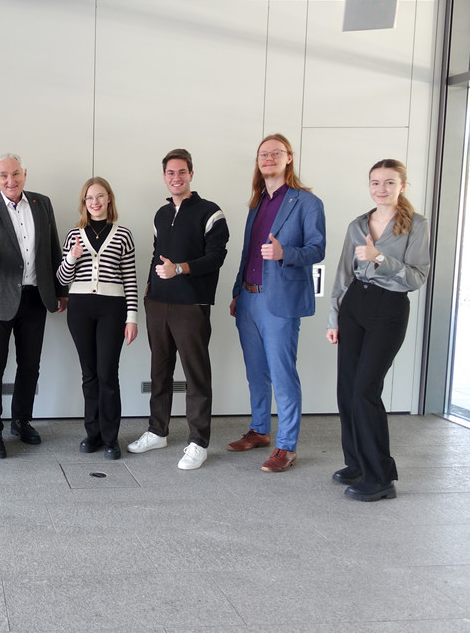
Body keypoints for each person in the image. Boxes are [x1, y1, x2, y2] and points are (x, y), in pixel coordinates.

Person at [327, 159, 429, 502]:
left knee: (365, 390)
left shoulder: (416, 225)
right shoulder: (358, 223)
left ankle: (381, 477)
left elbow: (417, 277)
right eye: (375, 183)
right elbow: (343, 273)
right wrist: (333, 318)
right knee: (346, 389)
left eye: (388, 182)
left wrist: (379, 258)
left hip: (389, 308)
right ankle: (356, 463)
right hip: (355, 305)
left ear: (403, 186)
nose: (380, 189)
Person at [228, 134, 326, 472]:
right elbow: (247, 253)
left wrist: (286, 254)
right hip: (249, 298)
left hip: (280, 300)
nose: (268, 158)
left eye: (276, 153)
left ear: (289, 158)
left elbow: (318, 248)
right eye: (263, 154)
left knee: (282, 374)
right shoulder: (257, 204)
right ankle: (259, 430)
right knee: (256, 371)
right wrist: (236, 292)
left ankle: (287, 446)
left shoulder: (306, 202)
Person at [128, 149, 229, 470]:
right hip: (158, 303)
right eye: (170, 173)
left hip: (191, 305)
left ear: (191, 174)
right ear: (164, 177)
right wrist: (148, 288)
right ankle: (157, 431)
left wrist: (181, 269)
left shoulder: (211, 213)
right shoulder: (160, 214)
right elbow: (157, 254)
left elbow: (216, 257)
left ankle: (198, 442)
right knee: (159, 371)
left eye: (181, 172)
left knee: (196, 375)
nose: (176, 178)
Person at [0, 153, 68, 459]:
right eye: (4, 175)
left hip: (35, 296)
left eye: (16, 174)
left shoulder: (42, 203)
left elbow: (53, 246)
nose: (11, 180)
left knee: (30, 365)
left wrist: (61, 290)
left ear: (25, 174)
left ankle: (21, 421)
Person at [56, 176, 138, 460]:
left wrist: (132, 317)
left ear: (109, 199)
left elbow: (130, 279)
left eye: (100, 197)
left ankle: (110, 437)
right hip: (79, 308)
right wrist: (71, 258)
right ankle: (92, 433)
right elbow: (62, 279)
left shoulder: (123, 234)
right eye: (89, 198)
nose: (95, 202)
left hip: (112, 309)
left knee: (107, 373)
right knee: (88, 374)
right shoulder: (73, 235)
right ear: (84, 203)